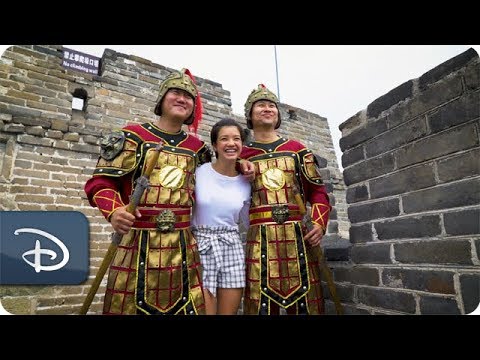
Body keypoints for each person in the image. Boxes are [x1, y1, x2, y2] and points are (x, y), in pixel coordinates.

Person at [84, 68, 212, 315]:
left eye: (188, 97)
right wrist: (115, 211)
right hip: (136, 243)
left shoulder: (199, 149)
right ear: (162, 98)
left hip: (183, 245)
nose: (182, 99)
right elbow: (100, 183)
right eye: (176, 92)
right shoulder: (133, 136)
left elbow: (215, 185)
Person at [240, 84, 332, 315]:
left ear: (278, 114)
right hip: (259, 236)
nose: (267, 109)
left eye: (272, 105)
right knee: (259, 303)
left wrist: (319, 223)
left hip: (298, 236)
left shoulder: (297, 150)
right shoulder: (241, 154)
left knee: (307, 304)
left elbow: (318, 192)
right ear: (250, 115)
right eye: (260, 105)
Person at [191, 118, 252, 315]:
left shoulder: (247, 181)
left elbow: (248, 221)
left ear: (242, 144)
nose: (231, 143)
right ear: (215, 145)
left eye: (236, 139)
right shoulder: (199, 172)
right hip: (201, 245)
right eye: (224, 139)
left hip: (231, 245)